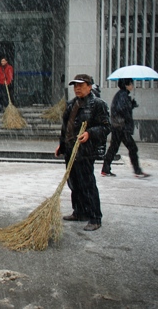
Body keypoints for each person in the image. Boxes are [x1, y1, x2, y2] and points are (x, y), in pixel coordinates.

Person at [55, 74, 110, 232]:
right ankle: (79, 212)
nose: (77, 88)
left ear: (90, 86)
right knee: (74, 184)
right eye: (75, 85)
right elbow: (66, 128)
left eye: (81, 85)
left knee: (87, 184)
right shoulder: (72, 104)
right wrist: (62, 145)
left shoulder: (97, 104)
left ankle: (95, 217)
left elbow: (106, 127)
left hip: (85, 151)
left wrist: (90, 133)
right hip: (71, 150)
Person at [101, 78, 150, 178]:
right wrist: (129, 106)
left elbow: (121, 108)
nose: (132, 85)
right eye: (131, 83)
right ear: (127, 85)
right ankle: (137, 171)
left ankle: (105, 169)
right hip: (121, 127)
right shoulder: (123, 95)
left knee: (114, 148)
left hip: (117, 126)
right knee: (132, 148)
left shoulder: (121, 95)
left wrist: (131, 105)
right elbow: (121, 109)